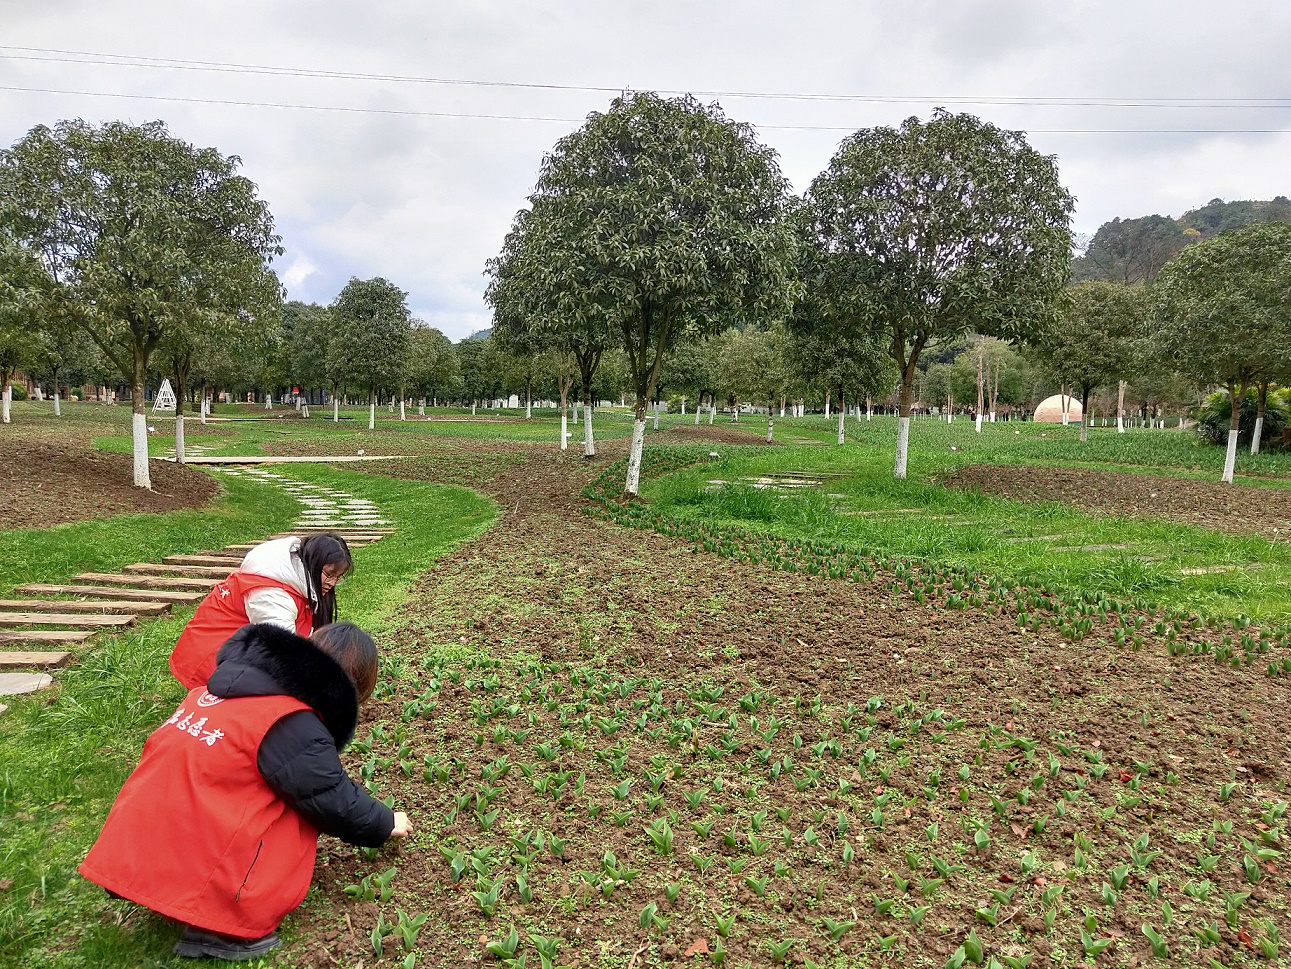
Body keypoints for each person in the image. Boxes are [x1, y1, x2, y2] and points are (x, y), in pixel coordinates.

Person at [81, 622, 413, 961]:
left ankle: (162, 886)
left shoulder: (216, 691)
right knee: (293, 812)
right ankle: (220, 925)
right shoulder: (291, 721)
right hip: (190, 850)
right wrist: (385, 821)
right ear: (349, 685)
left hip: (132, 847)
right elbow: (331, 800)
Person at [169, 533, 352, 689]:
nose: (332, 583)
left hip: (240, 647)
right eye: (328, 575)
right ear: (313, 563)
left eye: (338, 577)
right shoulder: (271, 594)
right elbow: (282, 653)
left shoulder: (299, 577)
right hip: (212, 653)